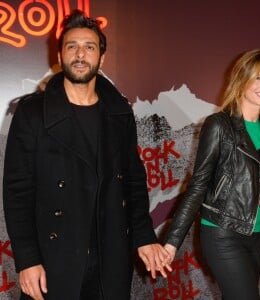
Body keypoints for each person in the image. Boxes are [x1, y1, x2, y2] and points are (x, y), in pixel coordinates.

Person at [3, 9, 170, 300]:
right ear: (60, 56)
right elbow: (17, 192)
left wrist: (143, 237)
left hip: (110, 256)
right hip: (54, 257)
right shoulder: (32, 113)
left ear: (101, 58)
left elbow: (133, 180)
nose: (81, 54)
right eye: (72, 46)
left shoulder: (120, 112)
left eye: (89, 47)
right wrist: (28, 260)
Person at [163, 49, 260, 300]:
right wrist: (172, 242)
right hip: (222, 235)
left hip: (253, 238)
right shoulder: (219, 125)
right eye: (258, 77)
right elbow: (198, 186)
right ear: (242, 79)